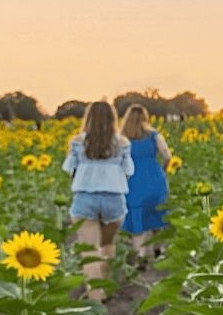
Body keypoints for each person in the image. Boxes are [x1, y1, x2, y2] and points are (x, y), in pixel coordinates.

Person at [62, 101, 134, 301]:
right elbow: (129, 171)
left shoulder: (77, 141)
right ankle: (106, 286)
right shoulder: (122, 143)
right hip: (114, 198)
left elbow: (69, 169)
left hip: (85, 198)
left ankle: (95, 297)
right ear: (113, 119)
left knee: (90, 251)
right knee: (108, 245)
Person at [119, 104, 171, 260]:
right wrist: (162, 169)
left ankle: (140, 255)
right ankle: (158, 249)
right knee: (157, 215)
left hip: (132, 181)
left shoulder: (122, 139)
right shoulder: (154, 135)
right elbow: (167, 155)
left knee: (137, 217)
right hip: (154, 179)